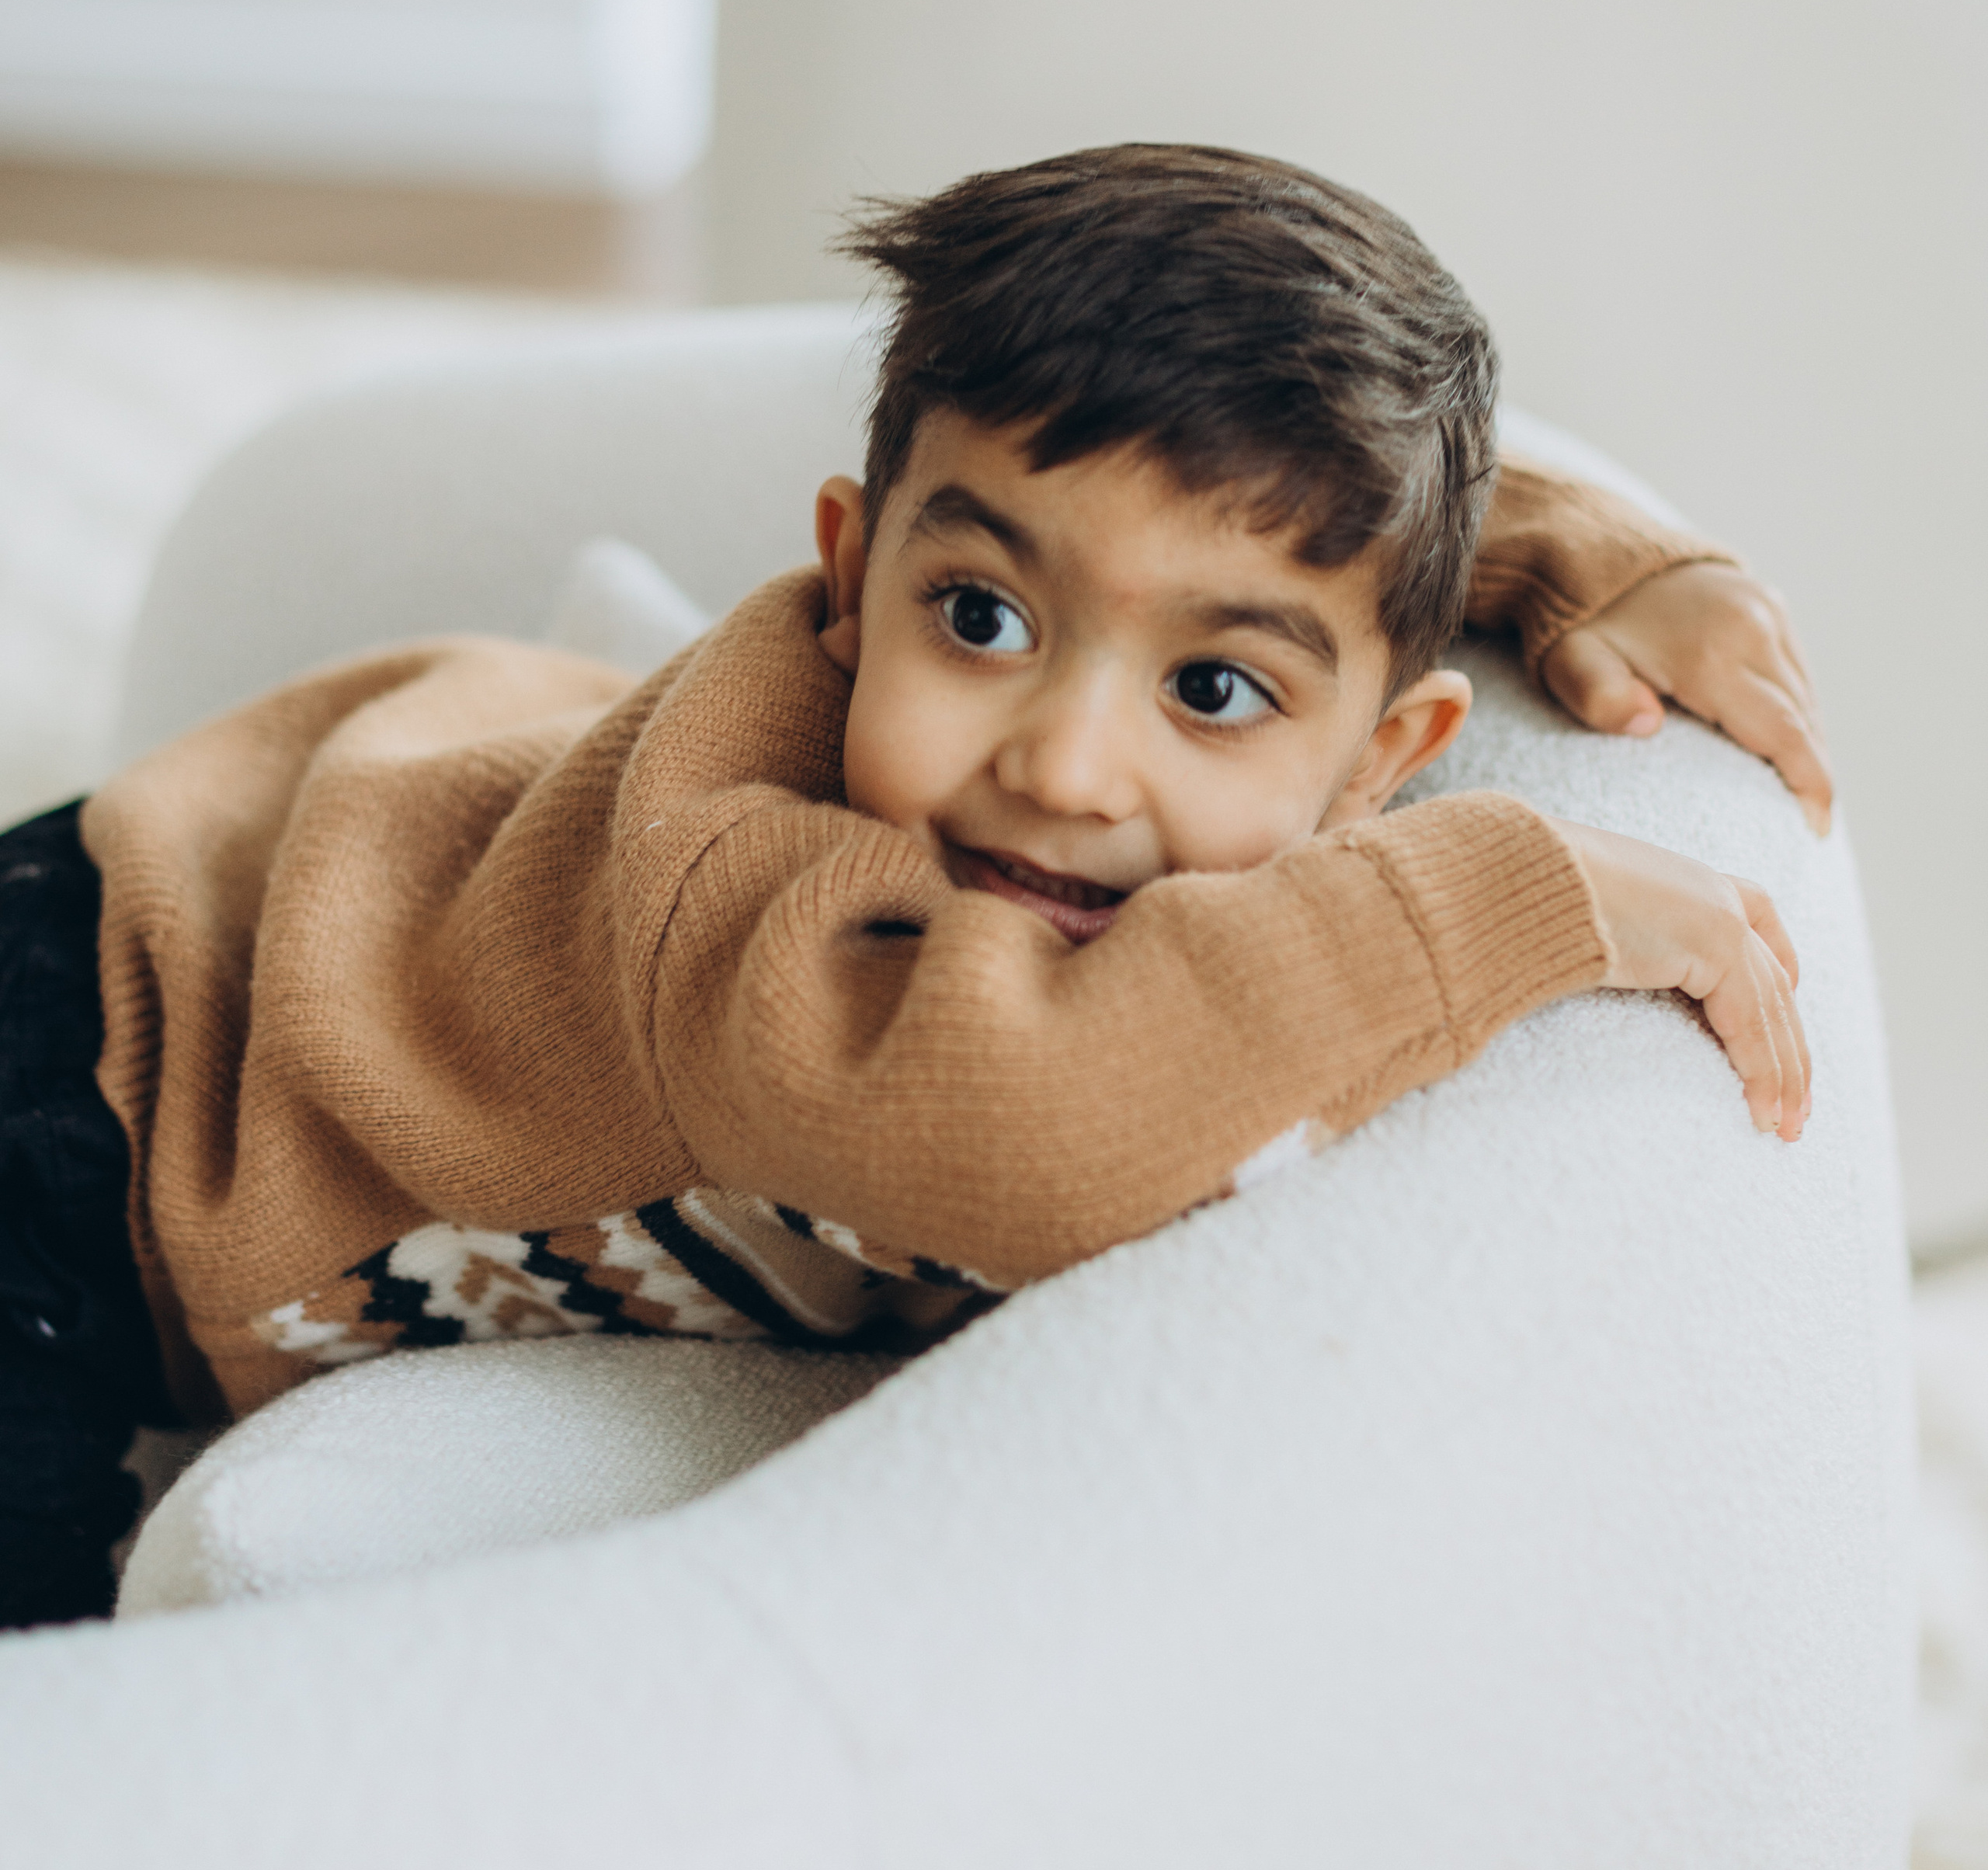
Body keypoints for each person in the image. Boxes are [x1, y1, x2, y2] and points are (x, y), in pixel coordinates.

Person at [0, 144, 1828, 1628]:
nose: (1060, 763)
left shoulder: (1165, 683)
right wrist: (1496, 895)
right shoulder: (743, 890)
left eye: (1211, 691)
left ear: (1382, 757)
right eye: (977, 619)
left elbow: (1275, 521)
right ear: (851, 572)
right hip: (112, 1052)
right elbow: (1030, 1123)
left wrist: (1574, 554)